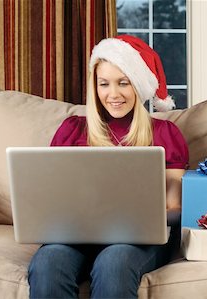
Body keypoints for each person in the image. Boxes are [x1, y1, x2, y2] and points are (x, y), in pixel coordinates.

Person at [28, 35, 189, 298]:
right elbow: (52, 196)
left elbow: (176, 207)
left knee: (114, 263)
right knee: (48, 263)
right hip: (74, 236)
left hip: (137, 240)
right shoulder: (72, 131)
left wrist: (142, 218)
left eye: (123, 83)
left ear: (138, 85)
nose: (113, 94)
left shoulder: (164, 133)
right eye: (104, 84)